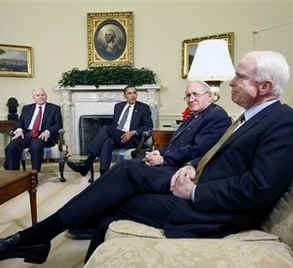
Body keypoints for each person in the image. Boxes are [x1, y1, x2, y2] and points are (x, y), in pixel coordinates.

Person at [2, 51, 293, 265]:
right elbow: (215, 155)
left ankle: (36, 238)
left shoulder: (282, 122)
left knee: (114, 200)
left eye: (240, 77)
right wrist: (191, 167)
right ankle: (39, 237)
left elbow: (259, 187)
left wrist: (195, 191)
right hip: (197, 181)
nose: (231, 83)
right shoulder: (248, 117)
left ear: (264, 86)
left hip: (213, 211)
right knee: (127, 170)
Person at [67, 80, 230, 240]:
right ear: (124, 95)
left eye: (195, 94)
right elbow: (177, 145)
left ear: (209, 96)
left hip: (138, 141)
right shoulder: (194, 116)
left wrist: (152, 148)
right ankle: (89, 214)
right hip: (119, 137)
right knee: (108, 140)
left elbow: (192, 147)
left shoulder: (214, 116)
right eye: (188, 95)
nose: (191, 98)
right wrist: (159, 152)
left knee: (108, 135)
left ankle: (87, 165)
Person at [67, 86, 153, 176]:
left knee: (106, 128)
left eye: (134, 93)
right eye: (129, 93)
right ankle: (103, 174)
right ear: (124, 96)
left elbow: (149, 126)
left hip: (132, 139)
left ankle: (87, 163)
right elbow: (115, 125)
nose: (133, 96)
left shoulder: (143, 108)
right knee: (107, 142)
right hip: (118, 137)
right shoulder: (118, 106)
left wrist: (133, 132)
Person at [4, 88, 62, 172]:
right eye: (38, 95)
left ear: (46, 96)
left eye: (43, 95)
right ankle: (13, 174)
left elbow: (58, 124)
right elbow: (20, 121)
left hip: (43, 135)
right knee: (11, 147)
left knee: (36, 146)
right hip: (27, 134)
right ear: (34, 97)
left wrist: (48, 131)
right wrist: (19, 129)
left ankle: (34, 174)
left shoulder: (54, 108)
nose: (41, 97)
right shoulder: (27, 108)